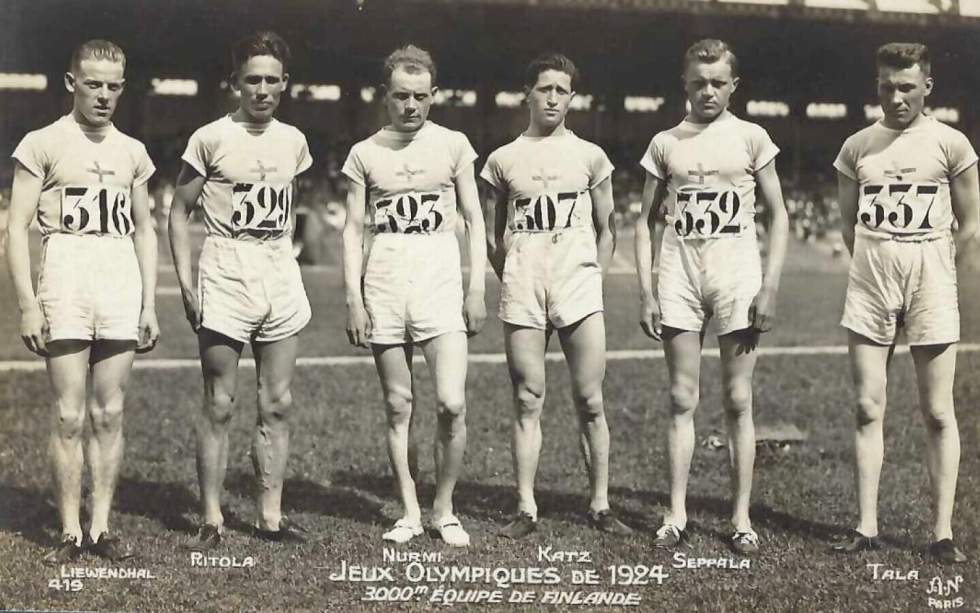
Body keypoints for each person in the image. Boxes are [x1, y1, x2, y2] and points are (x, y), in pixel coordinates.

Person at [633, 39, 789, 555]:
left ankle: (741, 517)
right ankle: (674, 513)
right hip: (679, 273)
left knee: (738, 399)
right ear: (685, 83)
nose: (707, 91)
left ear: (733, 85)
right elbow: (645, 221)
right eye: (699, 82)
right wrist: (647, 289)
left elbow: (779, 216)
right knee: (681, 397)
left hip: (736, 274)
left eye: (718, 82)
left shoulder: (751, 137)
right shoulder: (665, 142)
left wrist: (769, 285)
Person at [6, 39, 159, 564]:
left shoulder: (133, 152)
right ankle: (69, 530)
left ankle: (101, 527)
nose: (103, 96)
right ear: (72, 82)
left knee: (109, 412)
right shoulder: (42, 143)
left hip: (118, 281)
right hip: (66, 281)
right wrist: (27, 303)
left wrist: (148, 304)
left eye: (113, 86)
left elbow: (144, 230)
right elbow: (16, 227)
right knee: (70, 415)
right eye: (93, 84)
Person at [830, 43, 978, 564]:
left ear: (926, 88)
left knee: (938, 410)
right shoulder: (857, 147)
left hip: (931, 281)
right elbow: (849, 225)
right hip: (871, 282)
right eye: (887, 87)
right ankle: (866, 525)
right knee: (868, 405)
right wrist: (878, 261)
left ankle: (942, 534)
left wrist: (939, 272)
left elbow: (971, 222)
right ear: (877, 87)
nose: (896, 97)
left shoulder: (951, 144)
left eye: (907, 87)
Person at [169, 31, 314, 549]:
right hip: (225, 270)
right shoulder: (210, 138)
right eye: (252, 79)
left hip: (277, 270)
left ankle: (270, 516)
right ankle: (211, 517)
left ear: (285, 85)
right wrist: (188, 285)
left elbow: (287, 207)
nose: (262, 89)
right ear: (235, 83)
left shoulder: (294, 141)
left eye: (272, 80)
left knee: (277, 401)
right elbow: (178, 211)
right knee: (220, 401)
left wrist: (281, 256)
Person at [341, 45, 487, 547]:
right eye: (401, 96)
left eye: (420, 97)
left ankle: (444, 508)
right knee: (398, 403)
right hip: (384, 282)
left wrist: (477, 287)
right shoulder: (365, 153)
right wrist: (353, 299)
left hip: (440, 282)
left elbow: (474, 217)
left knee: (451, 402)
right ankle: (408, 510)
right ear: (386, 96)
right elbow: (352, 229)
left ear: (434, 95)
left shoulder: (453, 145)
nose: (410, 106)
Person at [482, 53, 632, 538]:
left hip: (578, 286)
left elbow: (609, 227)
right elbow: (493, 232)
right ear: (528, 93)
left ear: (572, 97)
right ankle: (525, 507)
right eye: (544, 88)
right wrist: (513, 272)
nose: (552, 98)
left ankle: (600, 504)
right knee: (528, 396)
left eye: (561, 90)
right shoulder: (503, 159)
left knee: (590, 397)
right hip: (524, 286)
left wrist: (595, 277)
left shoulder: (590, 156)